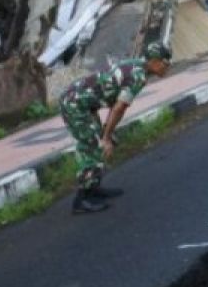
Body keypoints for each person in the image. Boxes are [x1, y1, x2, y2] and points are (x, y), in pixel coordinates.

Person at [59, 42, 172, 214]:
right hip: (75, 105)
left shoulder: (135, 65)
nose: (167, 67)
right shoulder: (138, 76)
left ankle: (93, 188)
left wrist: (107, 132)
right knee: (94, 146)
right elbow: (119, 108)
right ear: (155, 61)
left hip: (83, 103)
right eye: (166, 63)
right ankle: (81, 200)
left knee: (103, 141)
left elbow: (115, 103)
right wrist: (104, 137)